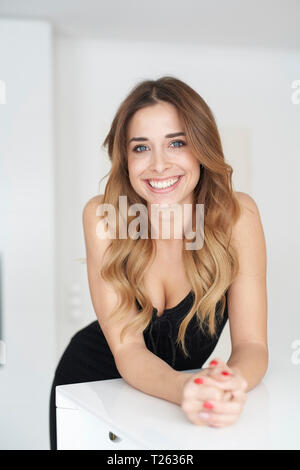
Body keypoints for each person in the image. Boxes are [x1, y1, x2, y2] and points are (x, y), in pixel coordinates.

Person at [49, 76, 268, 450]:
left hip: (171, 400)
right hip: (92, 387)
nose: (159, 165)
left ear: (202, 147)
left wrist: (228, 384)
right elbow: (128, 350)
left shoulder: (237, 216)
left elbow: (252, 345)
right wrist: (186, 387)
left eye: (177, 143)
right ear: (125, 158)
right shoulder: (104, 217)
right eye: (141, 148)